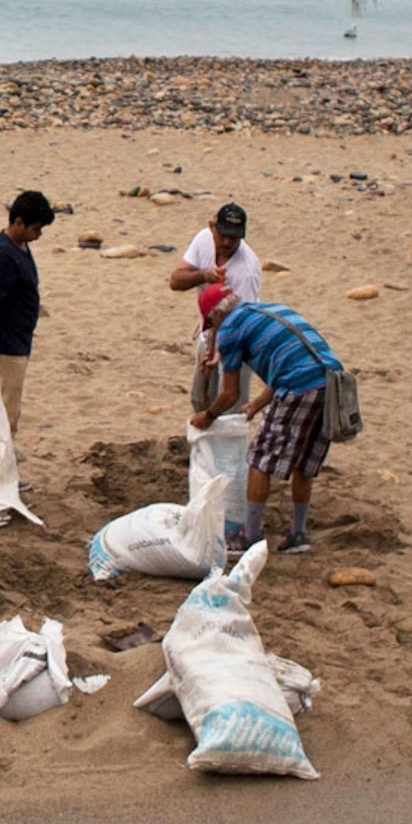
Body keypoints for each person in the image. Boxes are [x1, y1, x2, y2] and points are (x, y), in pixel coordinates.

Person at [192, 286, 344, 559]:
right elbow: (289, 362)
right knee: (304, 463)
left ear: (216, 314)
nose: (213, 330)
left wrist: (208, 416)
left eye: (211, 324)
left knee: (259, 459)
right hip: (331, 383)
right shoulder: (267, 311)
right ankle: (297, 534)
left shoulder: (230, 328)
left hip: (299, 387)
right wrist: (257, 404)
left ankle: (248, 536)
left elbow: (230, 393)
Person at [167, 203, 264, 412]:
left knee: (229, 407)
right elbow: (175, 280)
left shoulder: (247, 271)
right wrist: (204, 275)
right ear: (212, 227)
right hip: (209, 332)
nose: (227, 242)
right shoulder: (203, 239)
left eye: (234, 237)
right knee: (199, 400)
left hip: (238, 342)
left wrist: (218, 353)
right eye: (223, 235)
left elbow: (241, 324)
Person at [0, 189, 52, 441]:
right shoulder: (2, 255)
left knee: (10, 405)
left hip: (19, 339)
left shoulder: (21, 247)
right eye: (36, 229)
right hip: (6, 344)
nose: (38, 235)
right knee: (4, 410)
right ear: (19, 222)